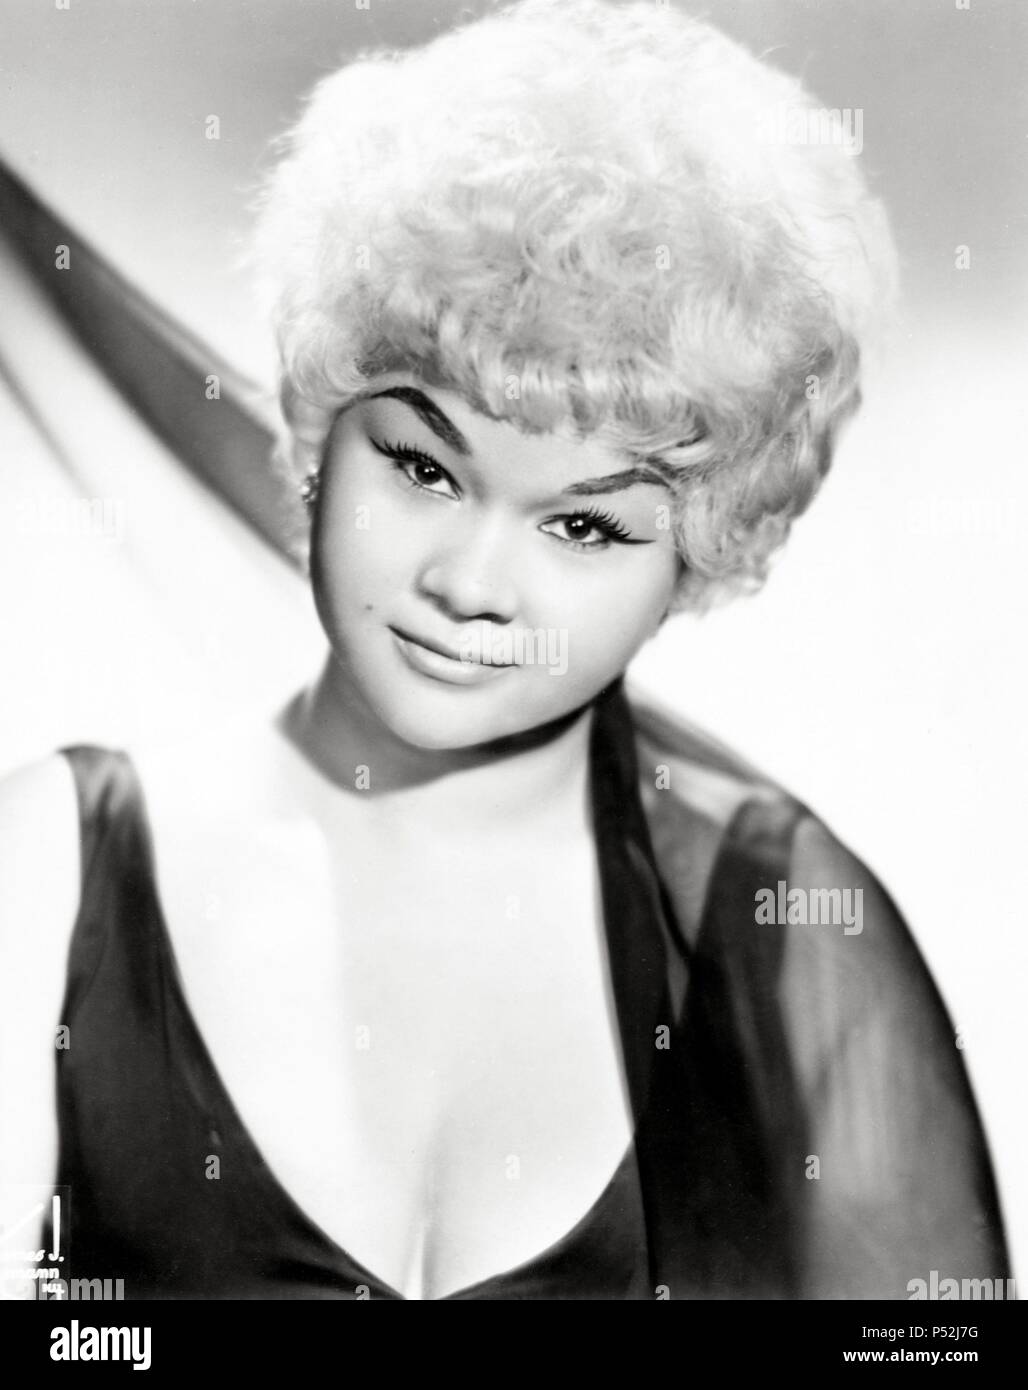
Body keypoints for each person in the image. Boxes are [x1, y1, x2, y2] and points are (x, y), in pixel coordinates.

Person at [0, 0, 1009, 1301]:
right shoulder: (49, 867)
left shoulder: (784, 920)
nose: (470, 585)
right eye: (423, 466)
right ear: (318, 426)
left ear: (700, 552)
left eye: (584, 524)